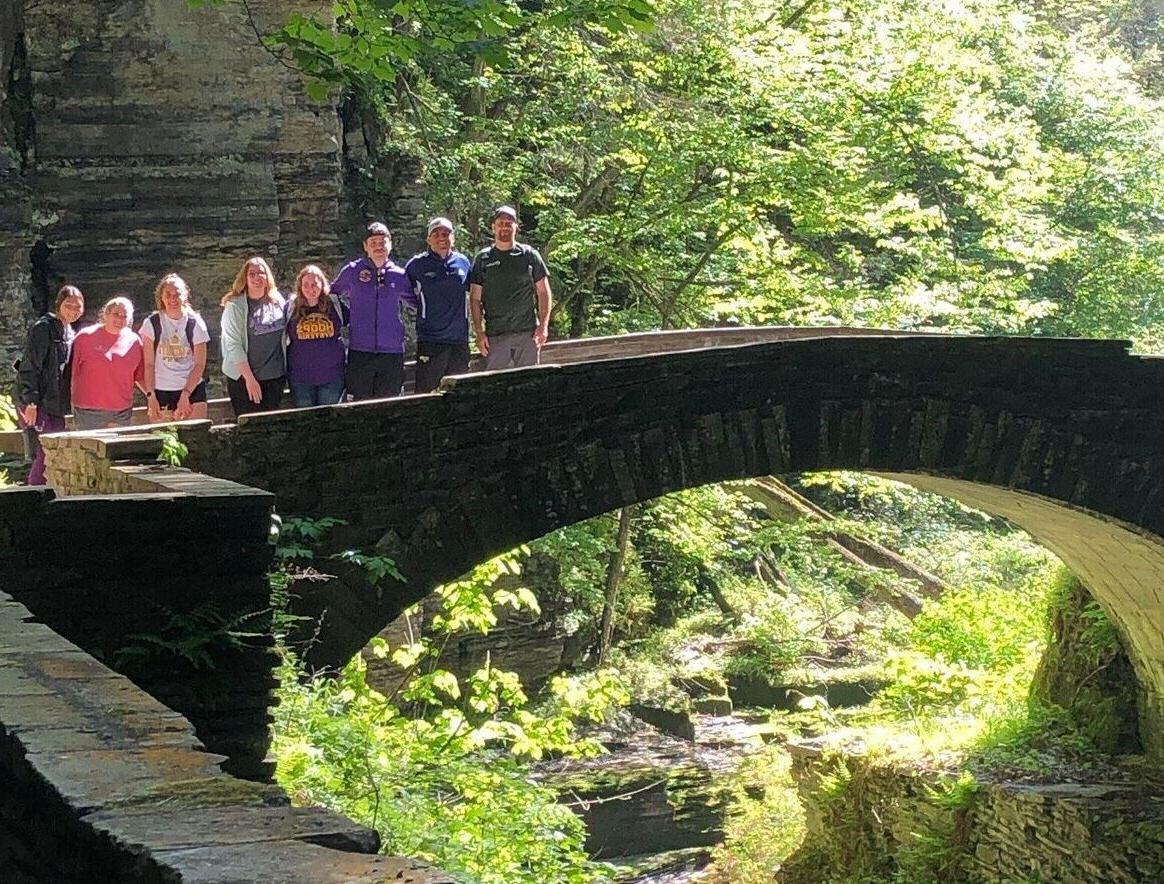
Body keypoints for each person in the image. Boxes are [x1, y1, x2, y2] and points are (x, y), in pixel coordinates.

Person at [330, 221, 417, 400]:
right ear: (365, 247)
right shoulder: (353, 271)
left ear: (390, 245)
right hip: (360, 351)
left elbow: (417, 303)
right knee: (359, 405)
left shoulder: (399, 275)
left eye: (382, 242)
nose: (378, 247)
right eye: (373, 243)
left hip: (391, 353)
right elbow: (331, 294)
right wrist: (347, 316)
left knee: (389, 404)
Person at [469, 205, 553, 370]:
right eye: (501, 223)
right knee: (496, 386)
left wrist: (543, 326)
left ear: (516, 227)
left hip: (527, 334)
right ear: (493, 227)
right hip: (496, 336)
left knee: (529, 383)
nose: (505, 227)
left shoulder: (529, 255)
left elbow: (544, 292)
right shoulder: (483, 259)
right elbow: (474, 299)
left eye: (509, 223)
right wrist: (479, 333)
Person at [16, 284, 85, 484]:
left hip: (55, 403)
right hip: (37, 402)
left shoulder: (69, 332)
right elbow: (30, 366)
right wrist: (31, 402)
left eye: (77, 307)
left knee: (56, 449)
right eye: (68, 305)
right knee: (45, 451)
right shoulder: (43, 328)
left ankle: (47, 490)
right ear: (59, 305)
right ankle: (33, 492)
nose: (73, 310)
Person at [404, 217, 471, 393]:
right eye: (436, 234)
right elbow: (404, 294)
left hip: (459, 340)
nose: (441, 237)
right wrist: (421, 308)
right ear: (428, 239)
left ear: (453, 237)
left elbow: (475, 294)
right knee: (426, 394)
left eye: (446, 233)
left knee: (460, 394)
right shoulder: (416, 265)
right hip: (431, 340)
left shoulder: (463, 262)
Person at [220, 257, 287, 417]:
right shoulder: (234, 306)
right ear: (245, 278)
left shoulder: (278, 301)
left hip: (274, 377)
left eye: (261, 273)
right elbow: (234, 345)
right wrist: (249, 379)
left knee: (271, 427)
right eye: (252, 274)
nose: (257, 277)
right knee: (248, 428)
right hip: (244, 379)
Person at [139, 274, 210, 423]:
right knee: (166, 442)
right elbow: (149, 364)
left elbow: (199, 364)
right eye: (168, 295)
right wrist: (151, 396)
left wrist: (185, 395)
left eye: (177, 295)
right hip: (162, 389)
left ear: (184, 296)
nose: (172, 299)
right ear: (161, 297)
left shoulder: (195, 323)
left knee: (195, 439)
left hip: (191, 388)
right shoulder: (152, 323)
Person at [70, 295, 144, 430]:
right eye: (116, 313)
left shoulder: (134, 341)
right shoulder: (84, 338)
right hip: (88, 411)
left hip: (121, 412)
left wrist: (153, 398)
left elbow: (140, 376)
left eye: (124, 316)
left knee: (119, 450)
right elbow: (70, 373)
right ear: (106, 313)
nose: (120, 319)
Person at [285, 264, 347, 407]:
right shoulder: (291, 307)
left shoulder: (334, 305)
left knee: (329, 421)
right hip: (301, 378)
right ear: (300, 286)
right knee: (307, 422)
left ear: (322, 284)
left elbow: (356, 321)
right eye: (306, 284)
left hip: (332, 376)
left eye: (315, 284)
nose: (310, 288)